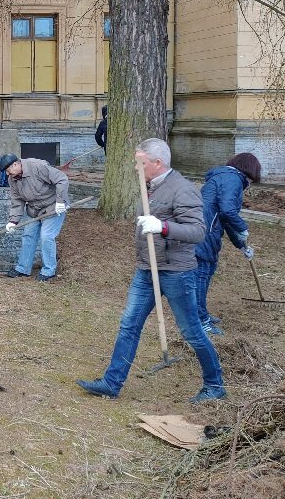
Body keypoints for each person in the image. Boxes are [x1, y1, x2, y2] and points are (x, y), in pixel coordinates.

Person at [77, 138, 226, 404]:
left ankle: (215, 385)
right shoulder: (151, 186)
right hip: (147, 269)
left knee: (191, 330)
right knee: (129, 325)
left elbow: (198, 231)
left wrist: (163, 227)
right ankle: (112, 383)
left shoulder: (182, 189)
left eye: (141, 162)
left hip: (177, 273)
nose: (136, 168)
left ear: (157, 163)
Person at [194, 152, 261, 336]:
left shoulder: (225, 177)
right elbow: (228, 211)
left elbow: (226, 217)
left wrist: (242, 245)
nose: (250, 186)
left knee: (206, 272)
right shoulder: (233, 179)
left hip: (207, 232)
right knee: (201, 276)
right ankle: (200, 321)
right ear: (249, 172)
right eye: (252, 181)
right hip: (202, 234)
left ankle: (202, 313)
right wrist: (243, 227)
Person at [0, 153, 70, 282]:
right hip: (34, 211)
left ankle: (49, 271)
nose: (8, 174)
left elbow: (62, 179)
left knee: (47, 236)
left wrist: (61, 201)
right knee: (28, 235)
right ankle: (23, 269)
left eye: (8, 171)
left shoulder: (38, 166)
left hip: (53, 207)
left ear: (15, 164)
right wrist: (13, 221)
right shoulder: (13, 179)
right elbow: (17, 201)